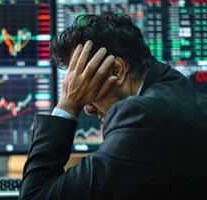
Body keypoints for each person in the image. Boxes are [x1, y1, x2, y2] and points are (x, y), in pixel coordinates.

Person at [19, 12, 207, 199]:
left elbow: (34, 196)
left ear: (116, 70)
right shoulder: (184, 94)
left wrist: (68, 104)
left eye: (84, 86)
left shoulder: (140, 118)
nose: (87, 108)